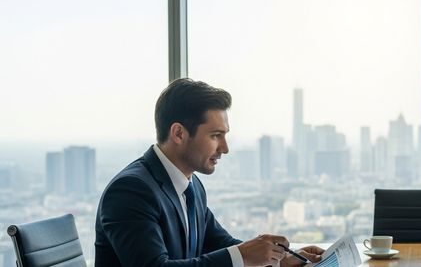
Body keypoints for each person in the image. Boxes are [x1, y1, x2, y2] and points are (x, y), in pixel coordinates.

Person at [95, 78, 324, 266]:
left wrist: (279, 259)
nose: (225, 148)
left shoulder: (190, 185)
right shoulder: (131, 191)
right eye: (215, 135)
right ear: (179, 134)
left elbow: (220, 243)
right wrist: (243, 256)